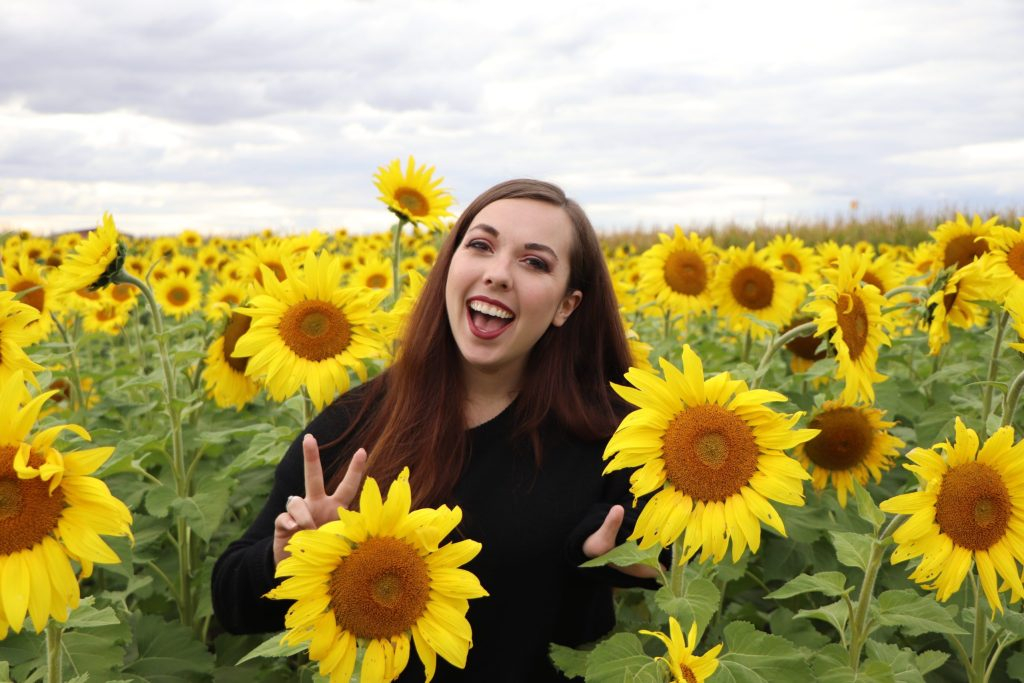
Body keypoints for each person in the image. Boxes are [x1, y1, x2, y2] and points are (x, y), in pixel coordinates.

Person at [211, 179, 655, 682]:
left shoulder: (616, 438)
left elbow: (666, 556)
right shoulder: (359, 422)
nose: (497, 274)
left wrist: (637, 563)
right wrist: (285, 557)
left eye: (534, 262)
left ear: (566, 306)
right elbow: (231, 600)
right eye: (481, 246)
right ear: (449, 267)